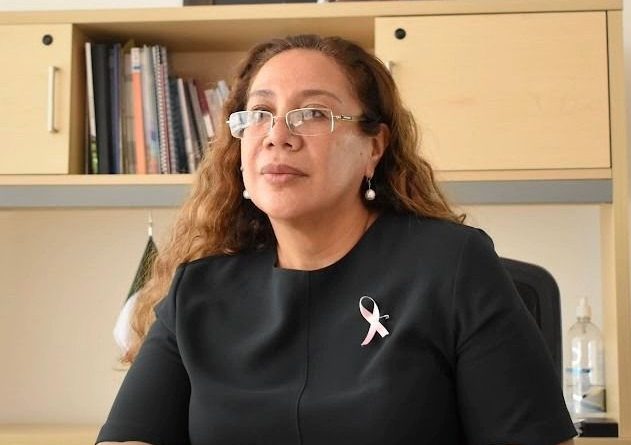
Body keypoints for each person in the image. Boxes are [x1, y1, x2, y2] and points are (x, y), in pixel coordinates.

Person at [97, 34, 577, 445]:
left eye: (312, 113)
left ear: (374, 146)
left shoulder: (451, 265)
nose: (277, 135)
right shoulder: (196, 291)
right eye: (260, 113)